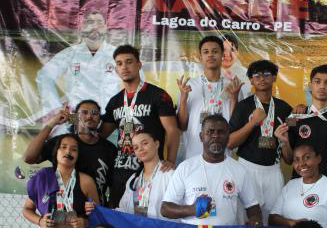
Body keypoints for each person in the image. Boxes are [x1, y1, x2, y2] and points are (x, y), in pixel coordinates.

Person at [101, 44, 179, 207]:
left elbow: (172, 130)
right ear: (116, 69)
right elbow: (100, 135)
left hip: (150, 172)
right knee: (119, 216)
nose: (124, 67)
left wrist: (171, 161)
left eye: (129, 62)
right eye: (119, 63)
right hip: (121, 171)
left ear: (139, 65)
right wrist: (74, 119)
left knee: (148, 215)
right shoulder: (115, 101)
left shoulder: (158, 95)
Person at [228, 60, 292, 224]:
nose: (262, 78)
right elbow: (230, 143)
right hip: (247, 169)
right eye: (257, 75)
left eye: (267, 74)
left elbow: (289, 159)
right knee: (245, 220)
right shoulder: (243, 106)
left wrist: (284, 142)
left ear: (274, 78)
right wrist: (252, 123)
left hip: (273, 171)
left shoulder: (285, 108)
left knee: (273, 220)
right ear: (251, 80)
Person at [23, 100, 117, 205]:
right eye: (84, 112)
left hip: (96, 209)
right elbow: (29, 158)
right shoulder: (63, 143)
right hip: (63, 208)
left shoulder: (110, 149)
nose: (89, 116)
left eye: (94, 113)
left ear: (99, 119)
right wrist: (52, 123)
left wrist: (110, 211)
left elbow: (113, 185)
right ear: (75, 118)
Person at [276, 64, 327, 182]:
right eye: (317, 82)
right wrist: (284, 143)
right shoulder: (295, 117)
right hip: (301, 184)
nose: (322, 86)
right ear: (310, 86)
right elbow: (288, 160)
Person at [36, 10, 120, 116]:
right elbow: (44, 75)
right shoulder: (71, 53)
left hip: (108, 117)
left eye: (99, 22)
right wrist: (56, 108)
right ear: (82, 27)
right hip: (76, 117)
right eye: (89, 22)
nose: (95, 26)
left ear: (106, 27)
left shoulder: (117, 54)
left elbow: (136, 80)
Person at [176, 35, 245, 160]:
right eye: (206, 52)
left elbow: (235, 127)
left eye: (215, 51)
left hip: (223, 156)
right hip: (194, 156)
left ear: (222, 55)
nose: (210, 55)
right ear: (200, 57)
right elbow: (182, 126)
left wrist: (234, 98)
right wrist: (183, 100)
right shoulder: (189, 86)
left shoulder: (232, 87)